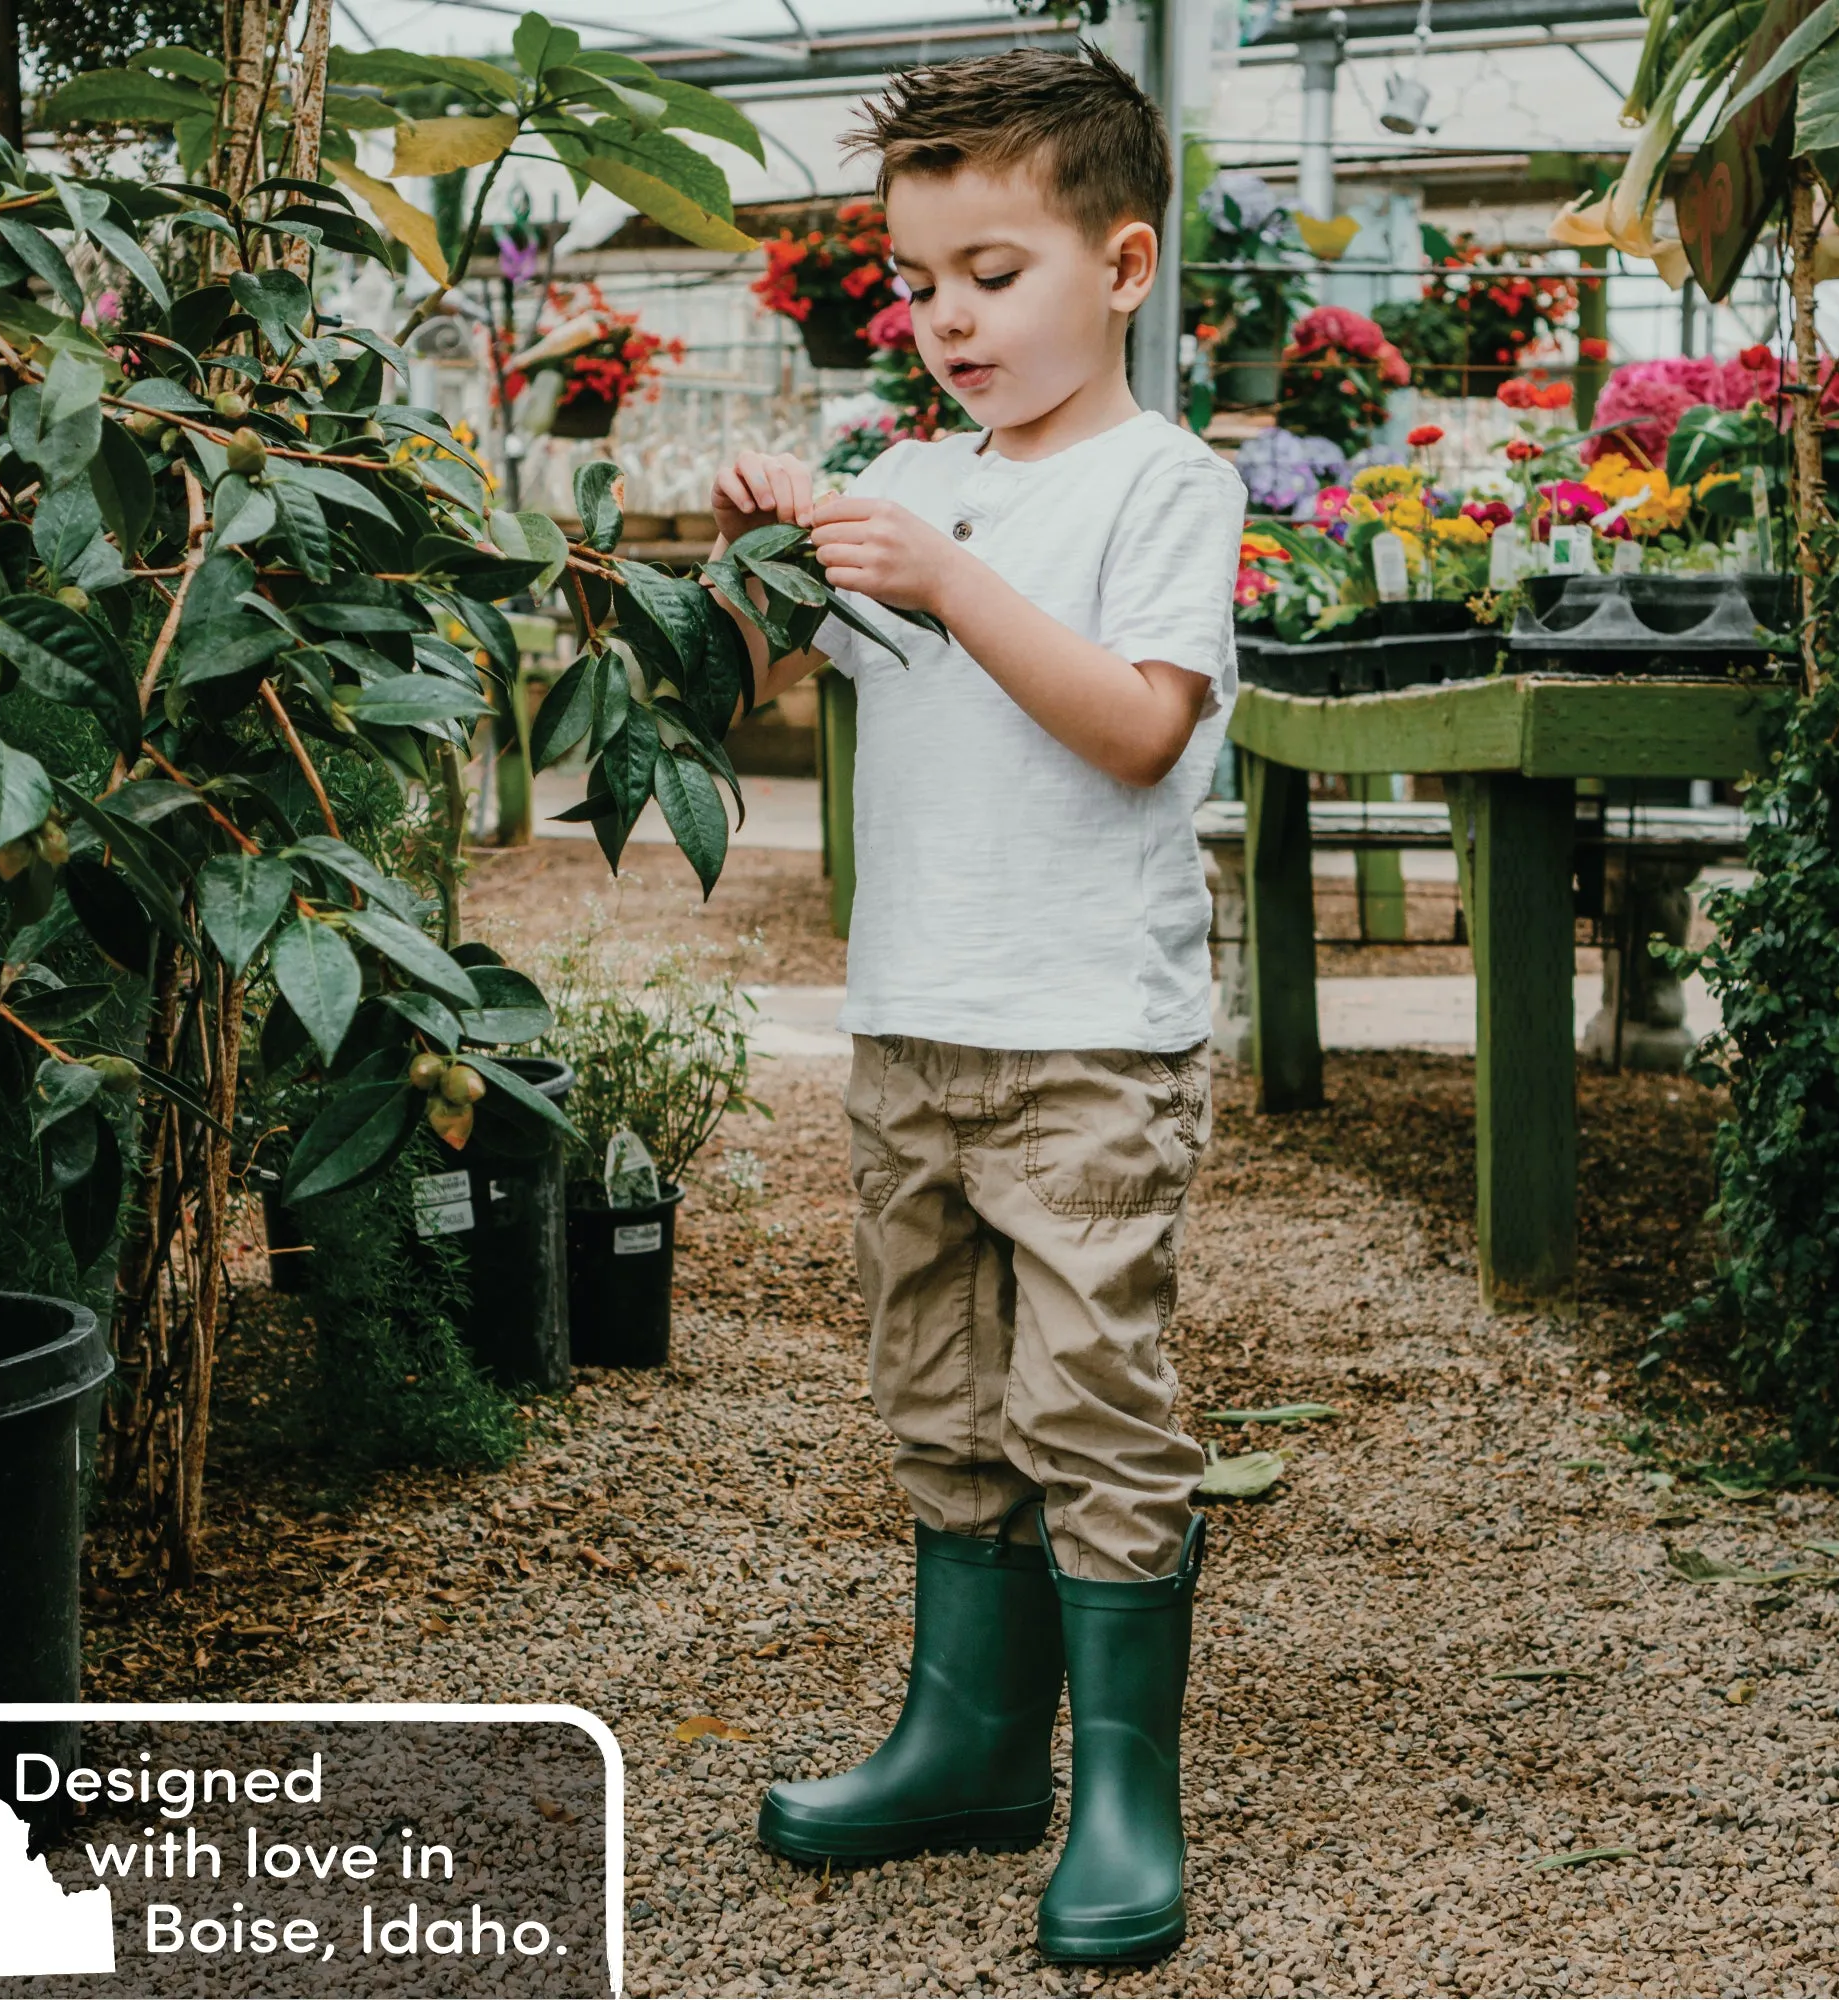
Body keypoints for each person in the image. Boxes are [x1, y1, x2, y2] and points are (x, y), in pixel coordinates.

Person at [702, 42, 1245, 1967]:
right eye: (919, 282)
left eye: (991, 275)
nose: (946, 320)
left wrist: (941, 572)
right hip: (915, 1022)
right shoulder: (909, 486)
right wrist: (768, 546)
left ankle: (1122, 1792)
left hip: (1093, 1032)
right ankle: (973, 1739)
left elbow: (1132, 731)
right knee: (936, 1384)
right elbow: (788, 674)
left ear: (1123, 264)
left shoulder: (1161, 481)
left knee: (1093, 1396)